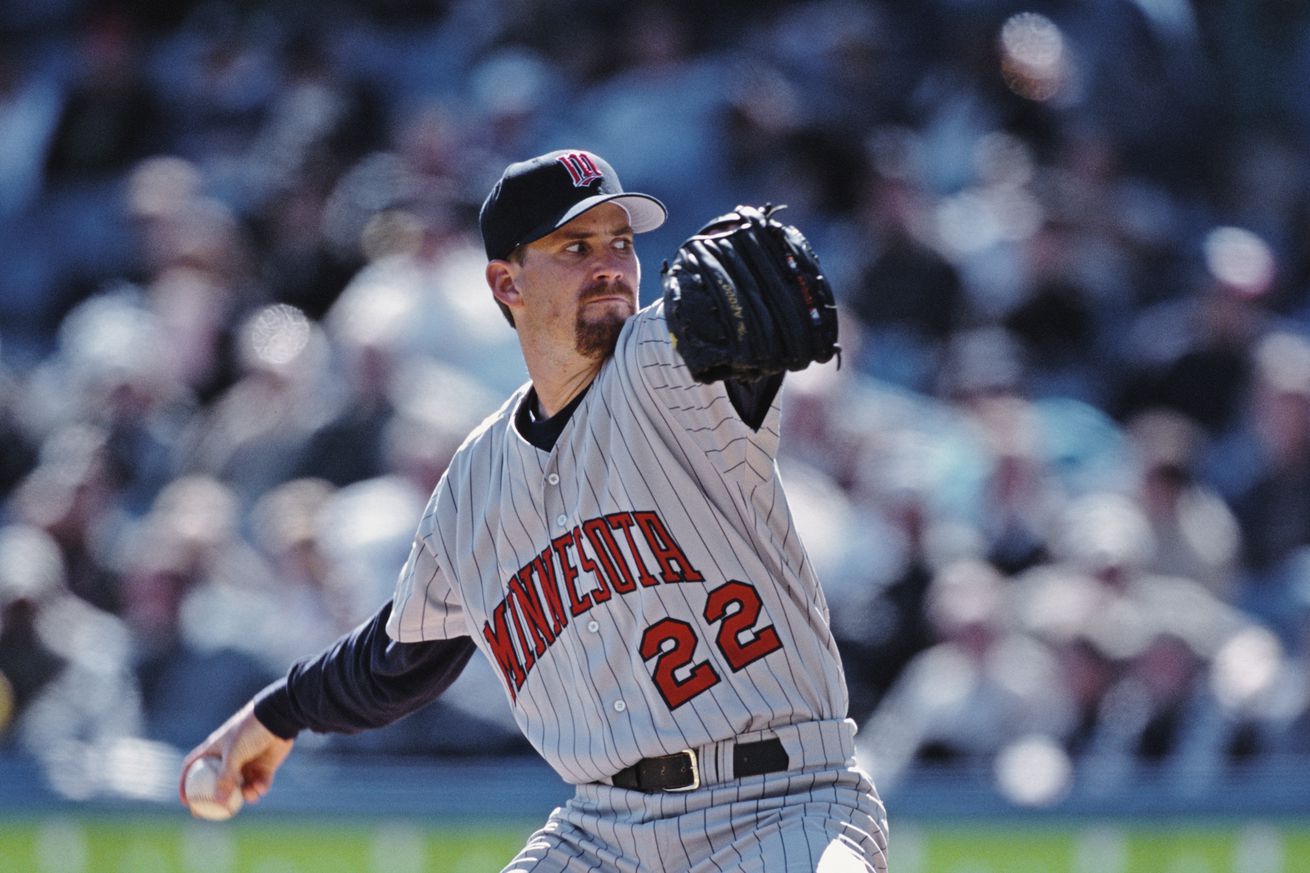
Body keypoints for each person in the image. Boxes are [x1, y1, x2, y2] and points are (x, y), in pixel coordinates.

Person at [179, 149, 890, 872]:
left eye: (621, 242)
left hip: (784, 802)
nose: (610, 263)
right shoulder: (475, 483)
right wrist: (277, 712)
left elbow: (734, 348)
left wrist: (755, 356)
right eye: (576, 247)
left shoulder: (668, 358)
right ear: (505, 281)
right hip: (606, 828)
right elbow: (399, 660)